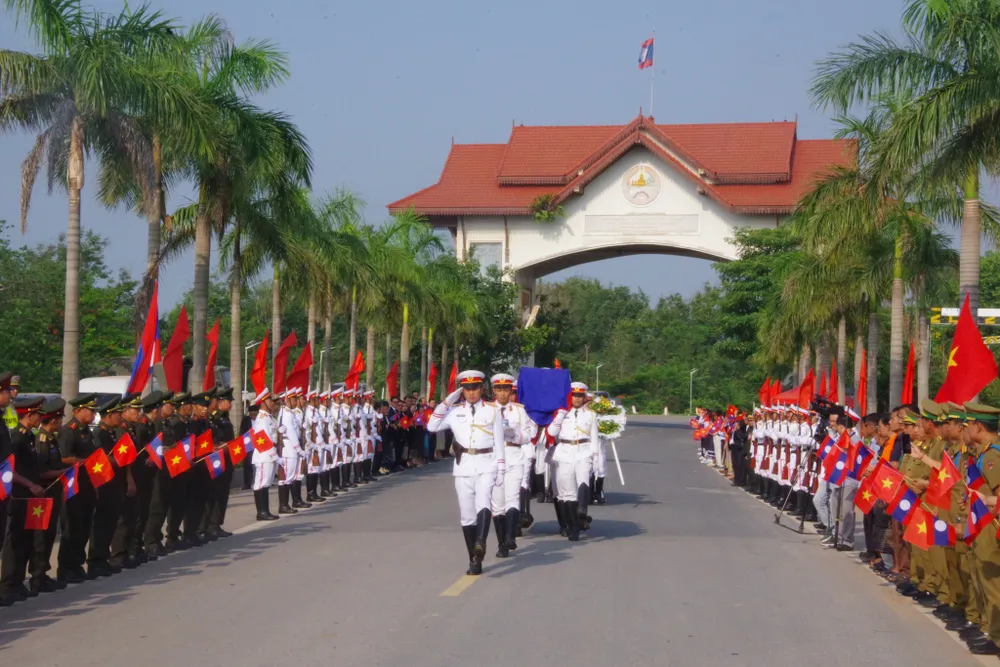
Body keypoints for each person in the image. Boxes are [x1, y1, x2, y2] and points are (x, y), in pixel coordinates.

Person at [427, 370, 505, 576]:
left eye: (475, 388)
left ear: (482, 388)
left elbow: (499, 442)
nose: (472, 392)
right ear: (462, 390)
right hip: (463, 467)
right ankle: (474, 559)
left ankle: (481, 541)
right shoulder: (454, 412)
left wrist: (501, 467)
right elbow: (432, 425)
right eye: (467, 388)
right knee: (467, 515)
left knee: (484, 501)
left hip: (486, 462)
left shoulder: (492, 411)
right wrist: (447, 401)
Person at [0, 396, 47, 606]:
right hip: (18, 494)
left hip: (30, 497)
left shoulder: (28, 436)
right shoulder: (17, 439)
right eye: (38, 415)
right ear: (30, 415)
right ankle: (8, 583)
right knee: (15, 540)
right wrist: (30, 484)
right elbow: (11, 469)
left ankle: (18, 582)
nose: (40, 419)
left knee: (26, 540)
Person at [488, 373, 536, 558]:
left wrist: (513, 435)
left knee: (512, 497)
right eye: (499, 389)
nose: (502, 393)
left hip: (514, 455)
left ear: (511, 391)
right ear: (494, 390)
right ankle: (502, 543)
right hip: (493, 458)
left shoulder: (519, 410)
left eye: (506, 389)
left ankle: (510, 536)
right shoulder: (487, 409)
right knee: (497, 504)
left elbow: (527, 435)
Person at [546, 382, 600, 540]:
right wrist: (560, 416)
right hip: (564, 452)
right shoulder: (561, 412)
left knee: (583, 479)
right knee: (568, 493)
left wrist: (595, 457)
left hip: (583, 450)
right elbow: (551, 432)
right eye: (574, 395)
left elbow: (594, 437)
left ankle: (582, 510)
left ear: (584, 397)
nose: (577, 398)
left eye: (580, 396)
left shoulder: (590, 414)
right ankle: (572, 526)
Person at [56, 393, 100, 584]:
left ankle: (77, 564)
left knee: (83, 527)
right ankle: (65, 568)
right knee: (71, 528)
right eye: (90, 410)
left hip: (87, 484)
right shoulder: (69, 431)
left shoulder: (86, 431)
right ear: (78, 411)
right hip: (73, 486)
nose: (93, 414)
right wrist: (86, 462)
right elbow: (64, 457)